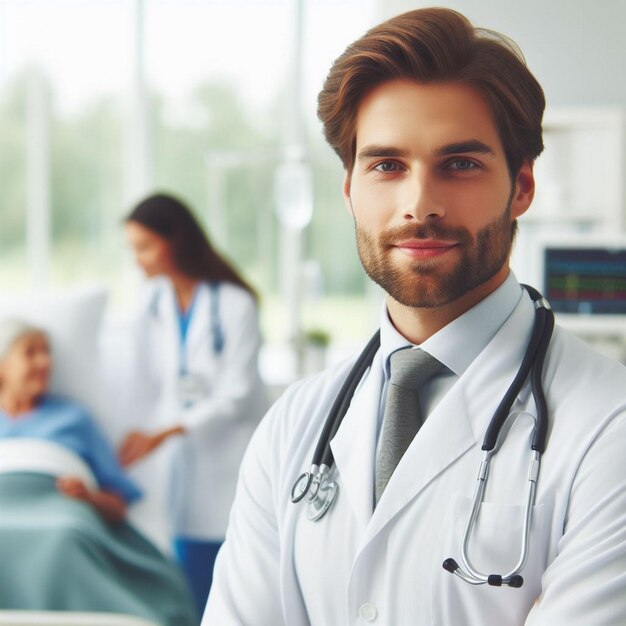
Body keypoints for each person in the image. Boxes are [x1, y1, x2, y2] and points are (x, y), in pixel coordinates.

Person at [203, 8, 626, 626]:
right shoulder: (293, 427)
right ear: (349, 188)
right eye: (387, 165)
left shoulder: (608, 428)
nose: (419, 204)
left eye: (460, 164)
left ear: (522, 186)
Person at [121, 192, 268, 615]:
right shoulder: (153, 303)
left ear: (176, 241)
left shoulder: (236, 304)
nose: (139, 260)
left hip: (230, 458)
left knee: (233, 585)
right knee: (190, 584)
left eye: (145, 247)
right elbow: (145, 382)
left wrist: (168, 429)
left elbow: (237, 396)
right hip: (182, 465)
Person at [0, 318, 142, 523]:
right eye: (30, 353)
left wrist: (89, 497)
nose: (44, 362)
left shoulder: (74, 418)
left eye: (46, 352)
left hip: (61, 521)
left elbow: (119, 506)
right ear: (2, 366)